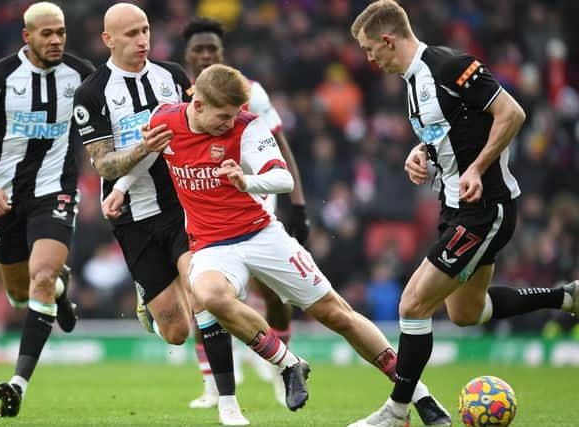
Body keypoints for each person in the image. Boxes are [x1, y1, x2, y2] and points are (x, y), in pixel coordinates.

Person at [109, 63, 451, 426]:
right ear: (198, 105)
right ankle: (289, 363)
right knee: (208, 295)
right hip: (211, 244)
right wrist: (119, 188)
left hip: (261, 234)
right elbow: (148, 151)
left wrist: (247, 182)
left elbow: (282, 177)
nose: (229, 122)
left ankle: (419, 394)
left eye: (234, 115)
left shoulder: (247, 125)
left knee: (337, 314)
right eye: (223, 116)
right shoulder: (166, 118)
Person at [349, 1, 579, 426]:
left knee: (413, 305)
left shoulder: (450, 65)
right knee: (466, 314)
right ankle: (565, 297)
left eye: (369, 49)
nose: (368, 58)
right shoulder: (412, 81)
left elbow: (511, 113)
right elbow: (451, 133)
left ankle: (397, 411)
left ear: (387, 40)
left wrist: (475, 169)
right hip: (453, 207)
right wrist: (420, 154)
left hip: (482, 209)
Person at [0, 2, 94, 418]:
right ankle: (61, 291)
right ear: (26, 36)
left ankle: (17, 383)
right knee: (19, 292)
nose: (56, 41)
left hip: (56, 190)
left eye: (61, 33)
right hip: (6, 195)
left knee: (42, 275)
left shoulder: (81, 73)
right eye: (47, 34)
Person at [181, 16, 309, 409]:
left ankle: (279, 366)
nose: (204, 56)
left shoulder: (249, 93)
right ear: (187, 55)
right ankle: (212, 383)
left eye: (212, 50)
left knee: (271, 291)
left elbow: (281, 147)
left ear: (223, 54)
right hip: (201, 206)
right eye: (198, 50)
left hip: (253, 199)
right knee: (204, 292)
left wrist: (299, 205)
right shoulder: (174, 94)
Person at [73, 1, 194, 350]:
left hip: (180, 204)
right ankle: (149, 295)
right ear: (108, 39)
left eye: (145, 30)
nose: (142, 40)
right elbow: (103, 165)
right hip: (132, 216)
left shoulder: (172, 75)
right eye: (131, 34)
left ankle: (225, 399)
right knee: (176, 332)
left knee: (201, 289)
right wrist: (144, 147)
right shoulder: (91, 93)